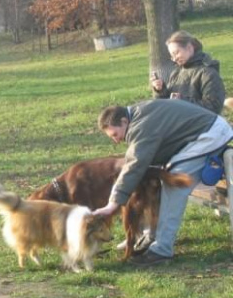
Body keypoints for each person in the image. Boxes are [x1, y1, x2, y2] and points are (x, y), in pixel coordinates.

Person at [93, 99, 233, 266]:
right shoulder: (137, 117)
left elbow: (135, 164)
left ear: (124, 121)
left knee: (174, 183)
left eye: (115, 135)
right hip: (205, 131)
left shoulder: (141, 126)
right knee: (162, 178)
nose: (116, 141)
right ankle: (150, 236)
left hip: (210, 134)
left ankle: (162, 250)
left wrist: (113, 203)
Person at [151, 30, 225, 114]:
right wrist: (160, 90)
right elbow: (167, 105)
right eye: (172, 56)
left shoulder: (208, 74)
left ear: (190, 48)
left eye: (176, 53)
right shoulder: (176, 72)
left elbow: (213, 108)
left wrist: (181, 101)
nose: (174, 59)